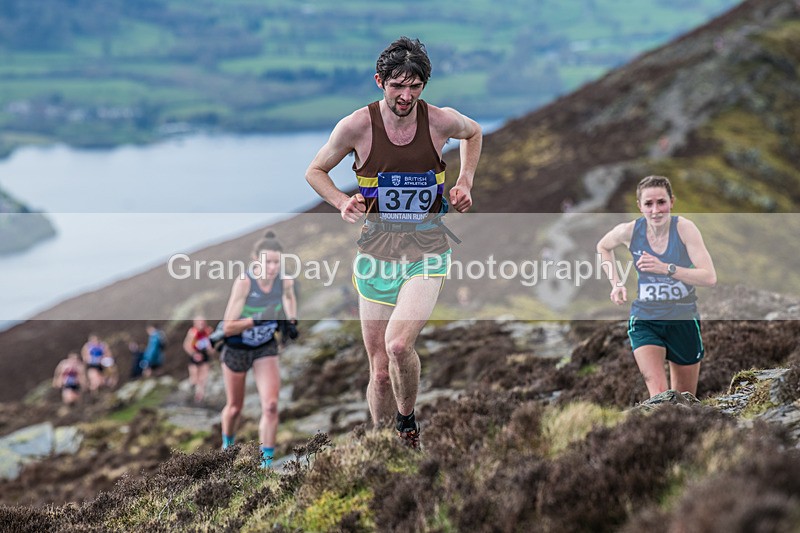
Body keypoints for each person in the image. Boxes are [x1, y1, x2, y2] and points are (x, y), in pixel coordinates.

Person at [305, 36, 482, 448]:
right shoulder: (356, 126)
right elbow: (315, 170)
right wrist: (341, 201)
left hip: (428, 250)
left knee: (399, 344)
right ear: (379, 81)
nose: (406, 95)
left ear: (424, 86)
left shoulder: (439, 120)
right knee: (380, 369)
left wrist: (465, 181)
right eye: (397, 85)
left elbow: (474, 133)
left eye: (415, 86)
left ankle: (406, 424)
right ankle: (382, 446)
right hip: (376, 256)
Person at [596, 175, 716, 398]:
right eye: (648, 204)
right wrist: (616, 283)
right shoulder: (630, 231)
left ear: (672, 201)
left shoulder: (685, 229)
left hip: (683, 319)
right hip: (646, 319)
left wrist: (666, 268)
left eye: (661, 202)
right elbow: (603, 246)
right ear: (640, 206)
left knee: (685, 399)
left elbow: (709, 277)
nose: (655, 210)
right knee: (660, 396)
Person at [219, 231, 298, 467]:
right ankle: (227, 446)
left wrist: (292, 321)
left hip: (264, 346)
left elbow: (289, 298)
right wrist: (257, 320)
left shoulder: (285, 281)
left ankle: (267, 464)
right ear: (256, 260)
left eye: (276, 262)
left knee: (272, 406)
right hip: (237, 348)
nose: (272, 267)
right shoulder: (244, 283)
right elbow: (228, 327)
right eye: (267, 262)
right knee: (234, 409)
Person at [183, 315, 214, 403]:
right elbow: (186, 345)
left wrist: (210, 350)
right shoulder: (192, 332)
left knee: (203, 377)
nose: (202, 324)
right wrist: (194, 354)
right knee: (194, 377)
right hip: (195, 355)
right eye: (200, 322)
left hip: (204, 355)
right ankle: (190, 393)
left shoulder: (208, 331)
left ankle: (200, 396)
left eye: (203, 322)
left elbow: (212, 345)